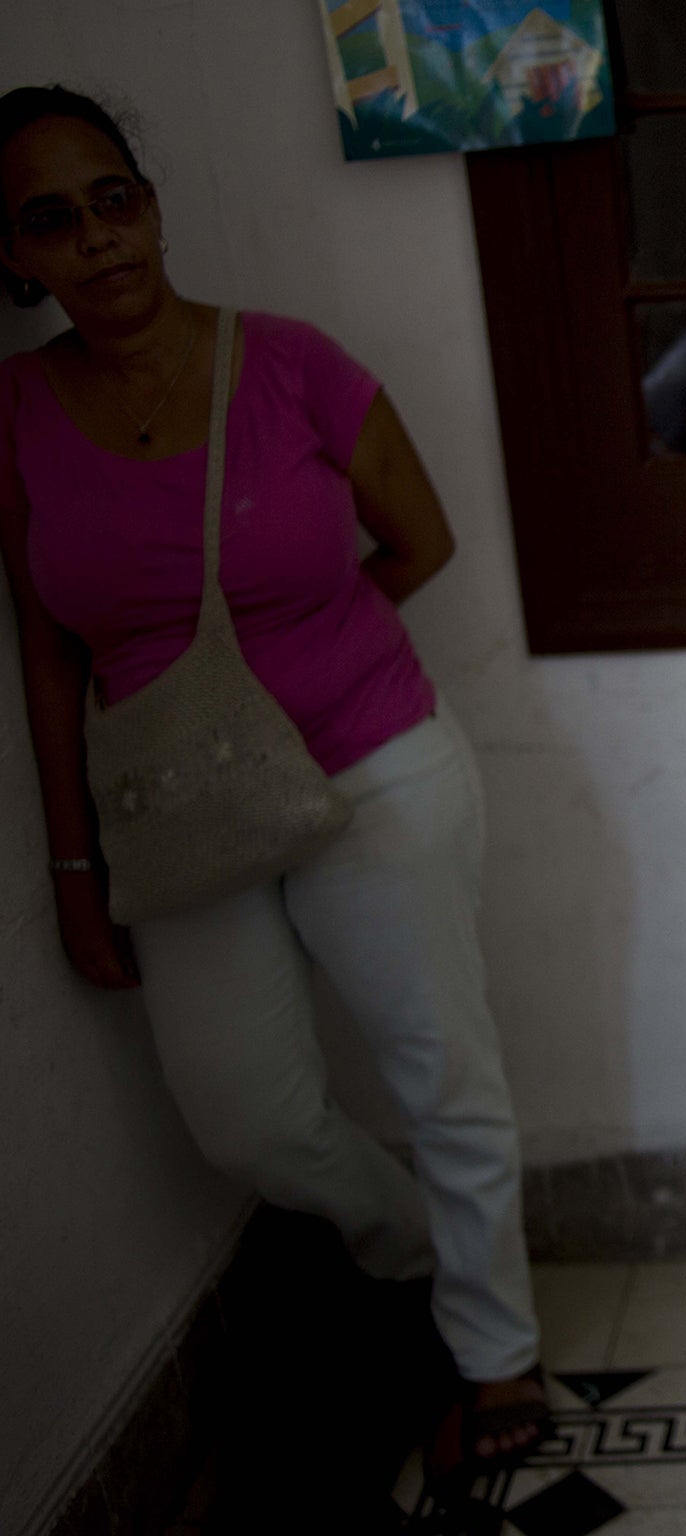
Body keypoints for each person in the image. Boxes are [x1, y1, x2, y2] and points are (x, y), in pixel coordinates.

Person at [0, 86, 548, 1471]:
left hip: (374, 766)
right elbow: (48, 655)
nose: (99, 242)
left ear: (154, 202)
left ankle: (496, 1350)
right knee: (246, 1117)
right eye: (52, 222)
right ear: (18, 259)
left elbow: (416, 544)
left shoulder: (290, 365)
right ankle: (424, 1245)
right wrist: (76, 872)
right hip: (180, 813)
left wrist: (296, 660)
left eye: (114, 199)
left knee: (444, 1076)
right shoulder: (14, 416)